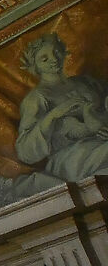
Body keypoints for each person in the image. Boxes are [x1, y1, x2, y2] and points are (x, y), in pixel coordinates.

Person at [13, 29, 108, 179]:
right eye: (44, 59)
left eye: (56, 52)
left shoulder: (83, 82)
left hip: (100, 144)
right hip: (72, 158)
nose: (54, 59)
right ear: (34, 66)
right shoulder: (36, 98)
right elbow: (26, 152)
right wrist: (54, 114)